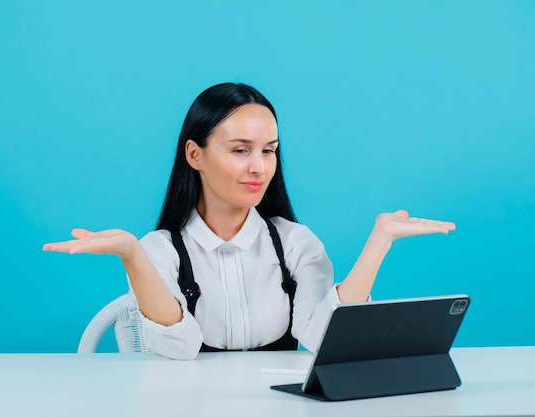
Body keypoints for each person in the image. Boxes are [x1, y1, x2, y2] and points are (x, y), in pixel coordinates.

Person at [43, 83, 456, 360]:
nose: (259, 167)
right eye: (241, 150)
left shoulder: (295, 243)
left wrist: (379, 241)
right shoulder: (160, 250)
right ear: (195, 155)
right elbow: (180, 347)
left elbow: (323, 339)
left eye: (269, 150)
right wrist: (132, 255)